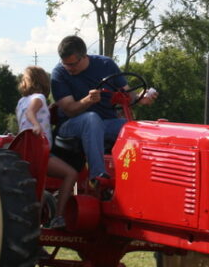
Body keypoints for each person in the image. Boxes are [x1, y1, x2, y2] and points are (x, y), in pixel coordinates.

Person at [51, 35, 156, 188]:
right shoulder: (59, 74)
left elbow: (128, 95)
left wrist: (140, 98)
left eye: (73, 64)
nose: (69, 68)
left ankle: (141, 179)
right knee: (91, 119)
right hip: (71, 126)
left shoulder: (106, 64)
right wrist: (88, 100)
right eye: (66, 64)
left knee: (132, 128)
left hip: (105, 123)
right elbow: (69, 110)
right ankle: (97, 176)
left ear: (84, 56)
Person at [16, 65, 77, 229]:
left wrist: (49, 111)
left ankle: (32, 228)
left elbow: (28, 114)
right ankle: (58, 216)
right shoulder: (39, 98)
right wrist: (37, 125)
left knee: (38, 190)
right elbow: (31, 112)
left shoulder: (21, 101)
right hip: (39, 152)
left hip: (25, 152)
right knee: (70, 173)